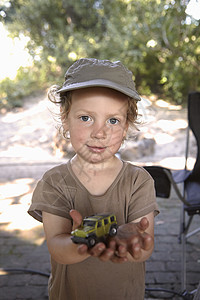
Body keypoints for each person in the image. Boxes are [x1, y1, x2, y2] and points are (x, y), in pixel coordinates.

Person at [28, 58, 159, 300]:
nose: (100, 132)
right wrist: (83, 241)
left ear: (127, 126)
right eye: (86, 118)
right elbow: (57, 248)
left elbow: (141, 246)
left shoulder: (138, 181)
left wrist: (136, 245)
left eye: (113, 120)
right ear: (65, 118)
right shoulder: (54, 182)